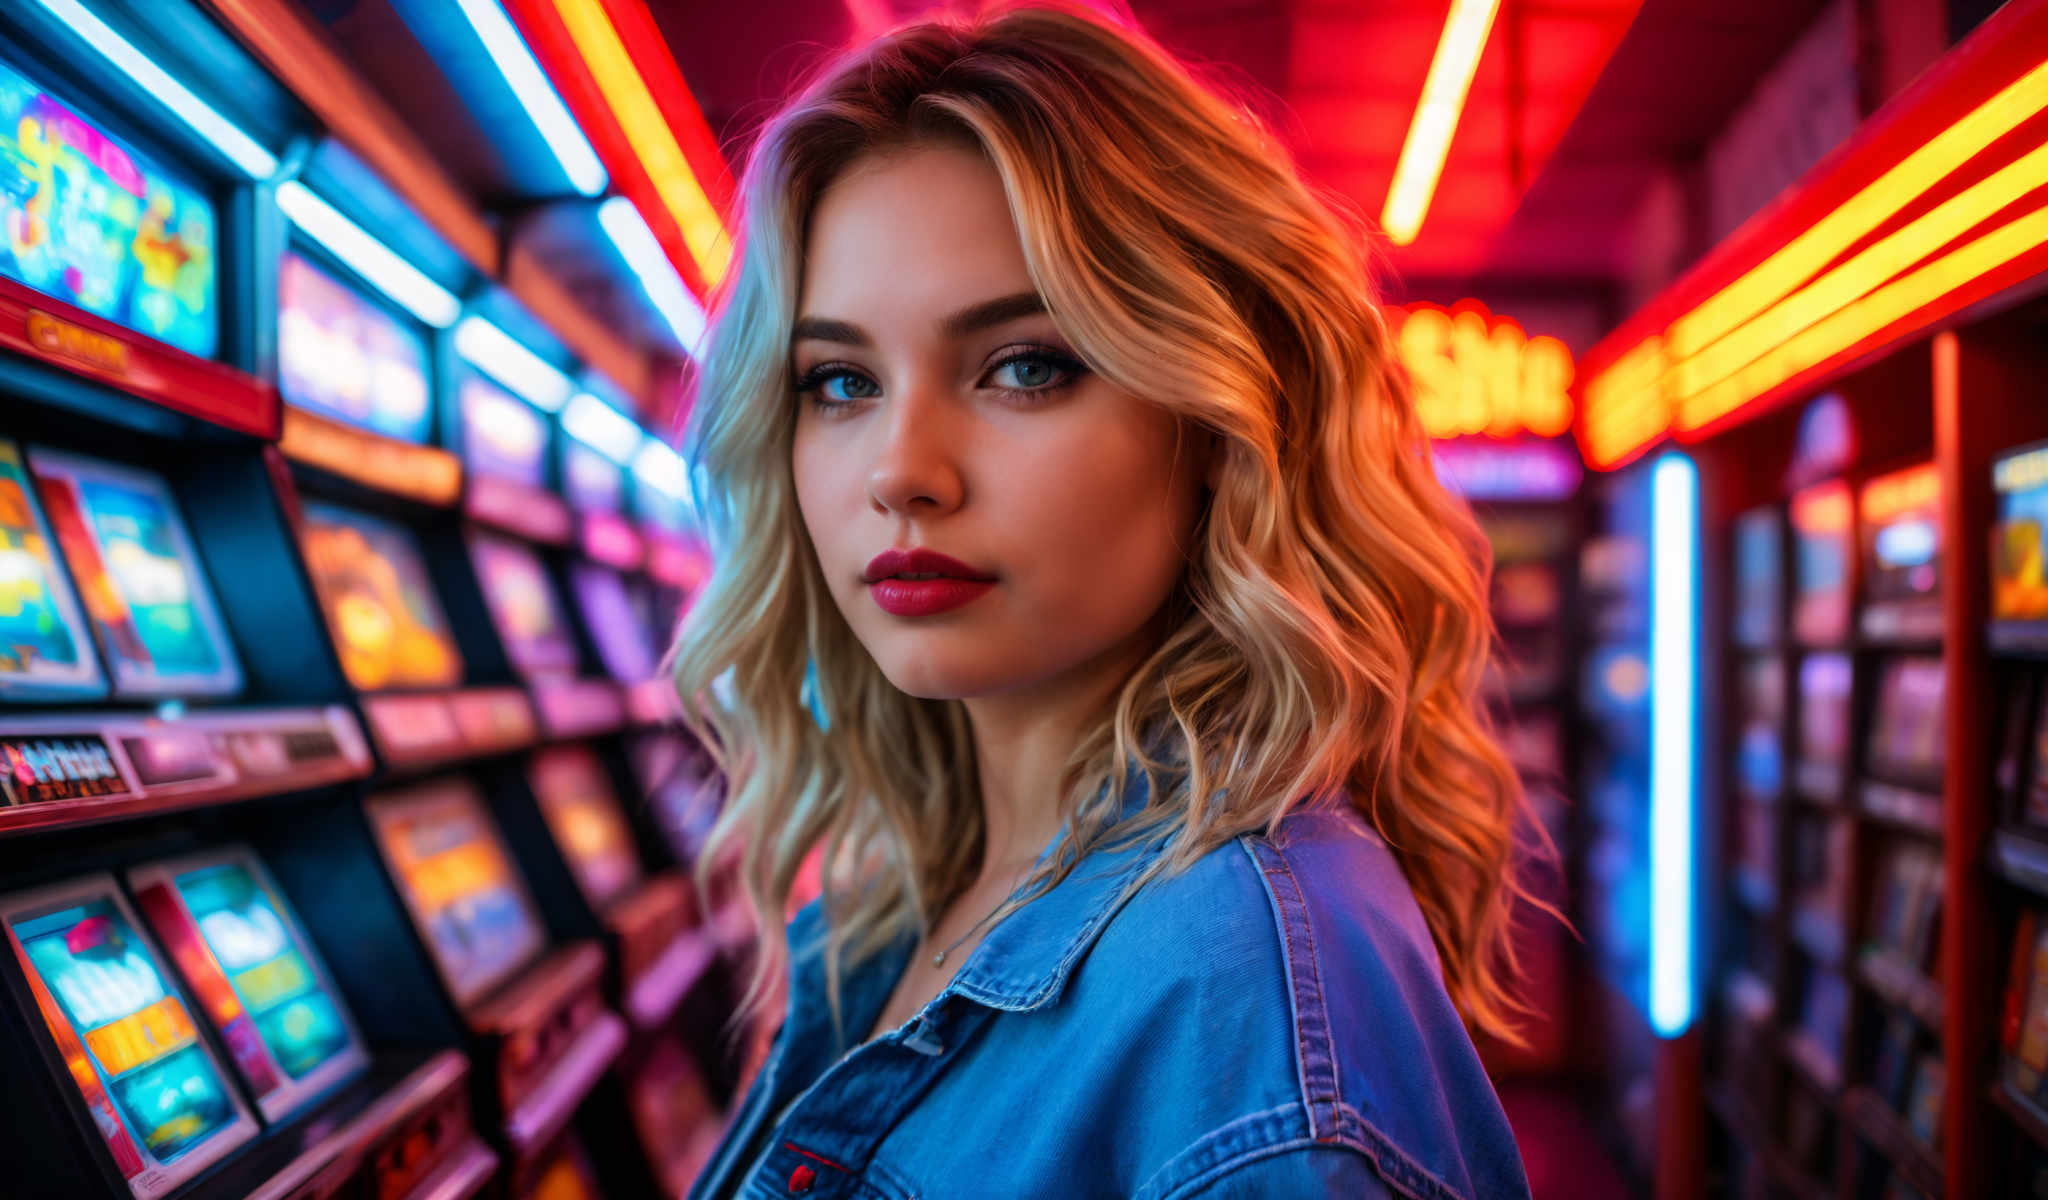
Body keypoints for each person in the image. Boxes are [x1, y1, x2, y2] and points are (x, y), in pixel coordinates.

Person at [673, 4, 1537, 1196]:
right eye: (839, 380)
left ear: (1219, 424)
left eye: (1026, 365)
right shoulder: (919, 882)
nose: (899, 471)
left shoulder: (1247, 1017)